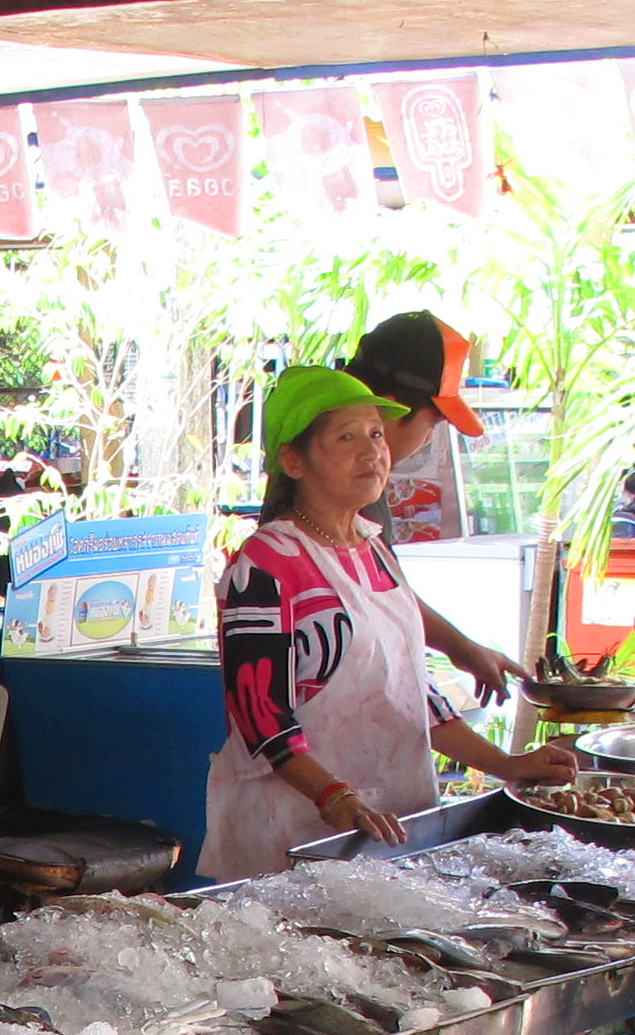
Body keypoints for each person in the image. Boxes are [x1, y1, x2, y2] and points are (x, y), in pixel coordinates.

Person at [200, 364, 581, 878]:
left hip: (390, 826)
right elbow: (259, 714)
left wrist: (506, 766)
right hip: (294, 833)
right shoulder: (266, 562)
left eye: (377, 433)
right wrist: (333, 795)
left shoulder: (371, 547)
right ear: (294, 460)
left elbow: (411, 695)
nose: (372, 451)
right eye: (347, 437)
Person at [343, 310, 535, 701]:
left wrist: (463, 649)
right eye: (431, 425)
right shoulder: (343, 499)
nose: (428, 440)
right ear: (391, 409)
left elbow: (386, 590)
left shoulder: (347, 492)